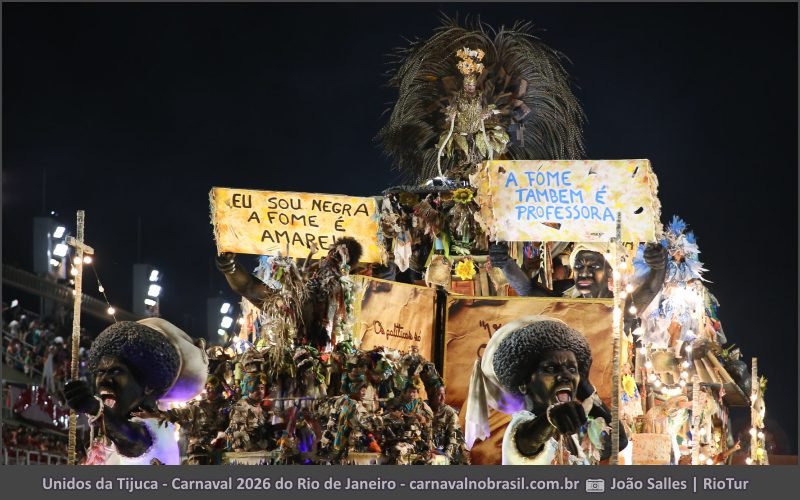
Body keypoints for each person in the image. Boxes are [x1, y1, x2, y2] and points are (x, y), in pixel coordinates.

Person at [465, 316, 628, 465]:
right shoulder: (521, 430)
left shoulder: (571, 436)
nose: (566, 376)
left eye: (572, 369)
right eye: (550, 369)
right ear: (523, 383)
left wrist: (586, 388)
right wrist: (551, 417)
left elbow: (619, 441)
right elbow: (529, 441)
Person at [64, 318, 208, 465]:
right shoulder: (109, 442)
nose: (104, 380)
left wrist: (95, 408)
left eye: (116, 371)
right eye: (101, 372)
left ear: (149, 385)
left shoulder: (158, 430)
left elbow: (135, 440)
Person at [215, 236, 362, 349]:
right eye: (334, 250)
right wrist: (231, 269)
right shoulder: (289, 305)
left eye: (342, 254)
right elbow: (249, 288)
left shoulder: (341, 303)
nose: (335, 254)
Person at [490, 242, 667, 322]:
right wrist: (506, 264)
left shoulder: (619, 307)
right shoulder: (565, 299)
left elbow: (650, 289)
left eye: (593, 266)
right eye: (579, 266)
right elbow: (528, 290)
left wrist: (659, 265)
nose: (584, 272)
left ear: (609, 271)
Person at [137, 375, 231, 464]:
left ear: (217, 389)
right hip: (198, 451)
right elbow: (175, 414)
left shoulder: (226, 406)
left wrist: (222, 437)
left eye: (211, 387)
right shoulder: (196, 407)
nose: (207, 390)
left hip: (220, 451)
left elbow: (231, 425)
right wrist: (152, 415)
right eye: (206, 387)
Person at [225, 372, 273, 452]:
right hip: (245, 453)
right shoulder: (242, 406)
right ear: (249, 390)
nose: (260, 391)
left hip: (259, 451)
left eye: (262, 388)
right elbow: (238, 434)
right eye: (257, 389)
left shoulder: (259, 407)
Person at [426, 379, 470, 464]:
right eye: (439, 395)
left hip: (443, 452)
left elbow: (454, 438)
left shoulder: (450, 413)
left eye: (444, 394)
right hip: (425, 450)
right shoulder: (423, 408)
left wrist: (446, 455)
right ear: (431, 396)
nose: (443, 398)